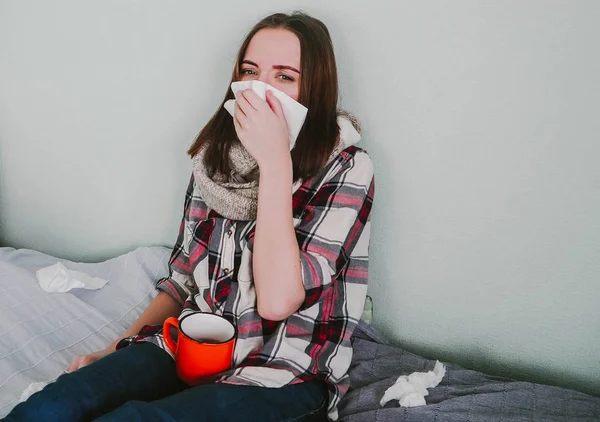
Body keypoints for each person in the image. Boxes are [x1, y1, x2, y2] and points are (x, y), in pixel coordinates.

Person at [5, 11, 374, 422]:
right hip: (193, 347)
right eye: (251, 71)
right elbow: (182, 276)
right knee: (55, 403)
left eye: (285, 77)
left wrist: (274, 162)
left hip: (283, 372)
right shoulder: (215, 160)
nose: (261, 90)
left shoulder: (348, 168)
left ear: (315, 89)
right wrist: (115, 350)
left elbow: (277, 301)